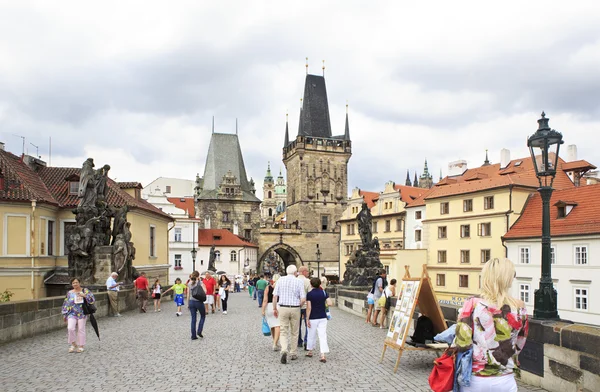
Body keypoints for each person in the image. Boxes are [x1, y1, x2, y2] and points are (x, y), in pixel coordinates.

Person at [456, 258, 529, 392]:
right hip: (505, 379)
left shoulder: (472, 304)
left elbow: (462, 343)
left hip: (476, 378)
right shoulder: (519, 307)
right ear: (507, 279)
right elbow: (520, 342)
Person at [272, 264, 306, 365]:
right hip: (295, 308)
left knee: (283, 330)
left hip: (283, 307)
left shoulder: (280, 280)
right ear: (295, 273)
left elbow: (275, 296)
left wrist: (274, 308)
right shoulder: (299, 281)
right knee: (295, 332)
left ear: (286, 272)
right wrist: (299, 305)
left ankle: (284, 349)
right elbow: (303, 298)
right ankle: (293, 353)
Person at [61, 278, 96, 353]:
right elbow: (66, 303)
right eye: (73, 283)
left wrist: (85, 296)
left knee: (81, 329)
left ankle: (81, 346)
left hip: (82, 313)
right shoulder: (70, 293)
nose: (75, 284)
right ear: (72, 284)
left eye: (76, 282)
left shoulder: (85, 290)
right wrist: (64, 314)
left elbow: (92, 300)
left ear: (79, 283)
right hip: (72, 313)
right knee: (70, 328)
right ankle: (73, 344)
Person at [306, 277, 330, 363]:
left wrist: (307, 318)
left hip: (313, 317)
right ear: (320, 284)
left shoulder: (309, 294)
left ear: (311, 284)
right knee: (322, 335)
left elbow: (309, 307)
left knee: (311, 334)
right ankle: (323, 354)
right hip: (323, 317)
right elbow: (330, 303)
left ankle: (310, 351)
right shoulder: (323, 292)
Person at [261, 274, 281, 351]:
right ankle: (275, 343)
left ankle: (274, 341)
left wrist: (263, 310)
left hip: (269, 307)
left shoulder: (268, 288)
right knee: (278, 325)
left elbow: (265, 300)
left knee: (272, 326)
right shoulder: (280, 287)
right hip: (278, 306)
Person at [187, 271, 206, 340]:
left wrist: (188, 304)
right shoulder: (200, 283)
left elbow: (188, 294)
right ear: (198, 276)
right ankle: (199, 331)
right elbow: (205, 291)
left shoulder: (189, 283)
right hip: (199, 302)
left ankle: (193, 335)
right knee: (203, 316)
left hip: (192, 302)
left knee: (193, 319)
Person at [296, 266, 312, 350]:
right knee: (307, 324)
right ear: (304, 272)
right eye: (308, 272)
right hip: (306, 306)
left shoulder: (295, 280)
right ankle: (306, 341)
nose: (308, 273)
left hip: (296, 306)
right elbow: (310, 294)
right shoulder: (308, 281)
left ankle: (299, 341)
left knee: (297, 325)